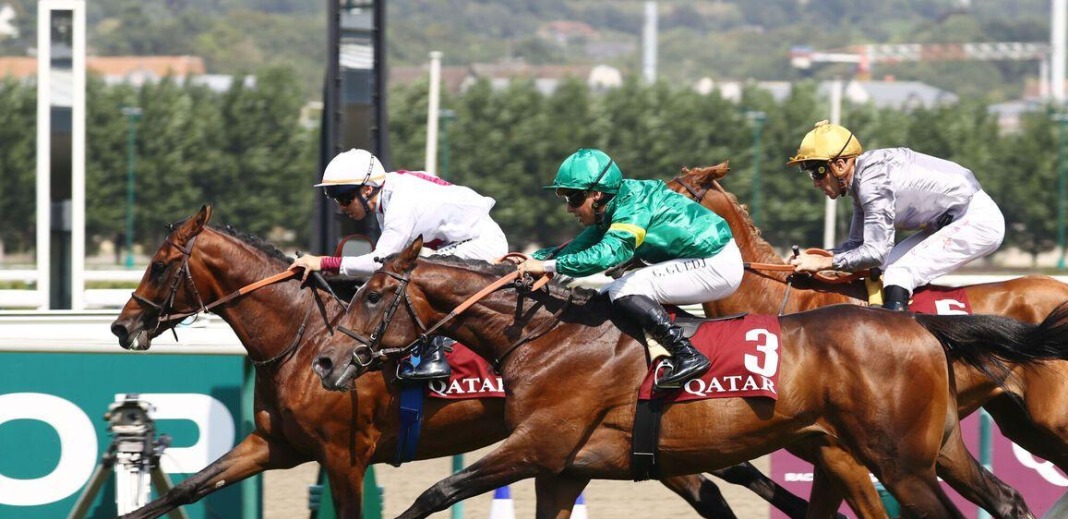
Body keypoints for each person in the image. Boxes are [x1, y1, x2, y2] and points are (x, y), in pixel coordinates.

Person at [517, 148, 744, 390]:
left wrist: (545, 266)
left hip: (715, 263)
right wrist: (525, 260)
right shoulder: (612, 205)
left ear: (596, 194)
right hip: (698, 258)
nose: (569, 208)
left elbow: (607, 255)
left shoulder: (632, 208)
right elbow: (573, 249)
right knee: (606, 293)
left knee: (625, 290)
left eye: (573, 199)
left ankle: (687, 354)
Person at [295, 148, 510, 380]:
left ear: (368, 189)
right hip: (464, 242)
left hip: (482, 245)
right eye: (334, 199)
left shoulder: (399, 204)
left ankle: (434, 357)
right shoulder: (387, 196)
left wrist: (322, 262)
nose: (342, 207)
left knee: (414, 277)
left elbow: (379, 263)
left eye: (345, 198)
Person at [786, 120, 1005, 311]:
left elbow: (875, 253)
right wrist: (812, 259)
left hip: (976, 220)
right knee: (882, 270)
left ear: (841, 165)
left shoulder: (873, 184)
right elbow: (857, 245)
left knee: (898, 272)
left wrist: (824, 262)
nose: (815, 182)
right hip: (950, 219)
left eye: (818, 171)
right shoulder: (863, 180)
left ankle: (903, 348)